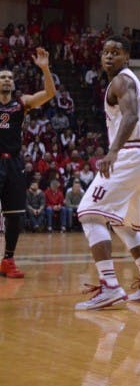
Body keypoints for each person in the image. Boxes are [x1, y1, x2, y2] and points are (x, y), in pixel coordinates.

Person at [75, 35, 140, 309]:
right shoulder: (127, 81)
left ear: (126, 56)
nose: (108, 56)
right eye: (105, 52)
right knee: (122, 224)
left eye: (115, 52)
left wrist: (113, 151)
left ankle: (110, 285)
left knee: (88, 213)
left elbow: (130, 117)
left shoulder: (121, 81)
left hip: (130, 153)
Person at [0, 48, 55, 278]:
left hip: (13, 163)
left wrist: (45, 68)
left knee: (15, 216)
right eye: (2, 77)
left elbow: (50, 93)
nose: (6, 80)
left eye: (10, 77)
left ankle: (8, 260)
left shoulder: (22, 102)